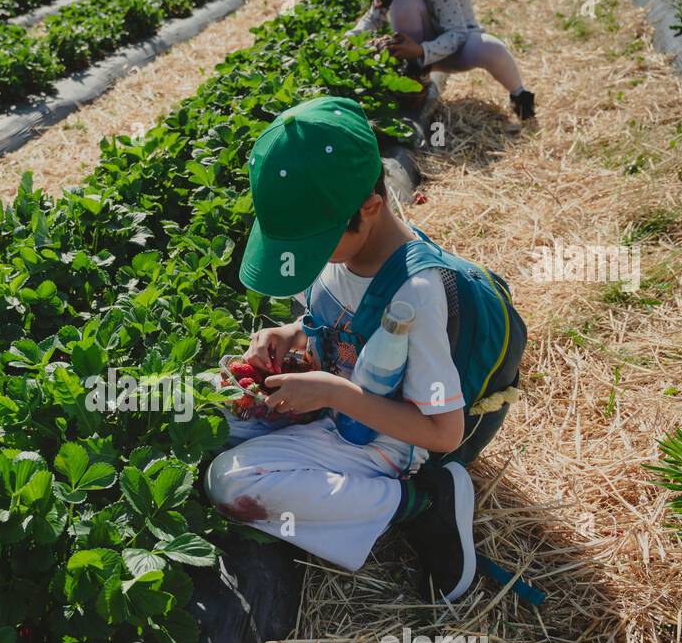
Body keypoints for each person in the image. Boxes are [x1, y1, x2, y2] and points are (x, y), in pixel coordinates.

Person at [205, 96, 526, 604]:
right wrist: (292, 337)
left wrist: (336, 395)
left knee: (231, 483)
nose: (302, 261)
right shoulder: (337, 252)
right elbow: (330, 323)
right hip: (338, 400)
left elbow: (444, 432)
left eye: (309, 245)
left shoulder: (414, 295)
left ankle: (423, 503)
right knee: (204, 413)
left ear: (369, 208)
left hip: (390, 439)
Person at [351, 0, 536, 120]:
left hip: (457, 50)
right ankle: (416, 75)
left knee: (490, 48)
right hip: (417, 55)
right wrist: (351, 38)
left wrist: (421, 50)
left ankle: (520, 96)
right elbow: (373, 18)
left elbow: (457, 34)